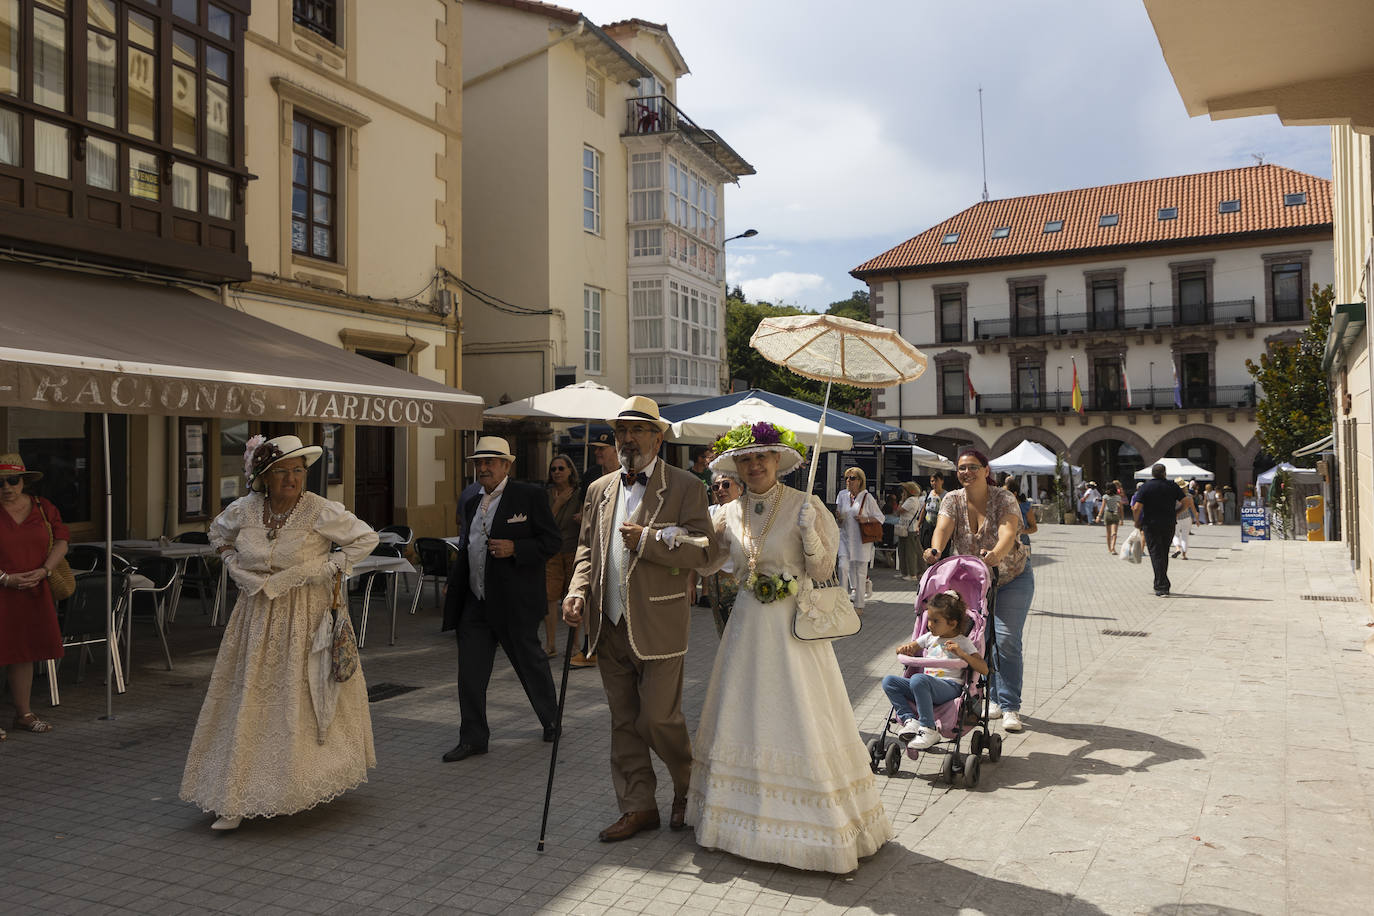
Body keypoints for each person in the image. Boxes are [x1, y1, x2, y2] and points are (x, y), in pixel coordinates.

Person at [688, 421, 892, 872]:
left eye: (762, 456)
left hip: (793, 631)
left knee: (799, 713)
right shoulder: (728, 512)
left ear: (777, 461)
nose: (754, 464)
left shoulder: (806, 505)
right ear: (736, 466)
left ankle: (817, 827)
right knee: (744, 713)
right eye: (746, 459)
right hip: (745, 632)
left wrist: (811, 534)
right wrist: (673, 539)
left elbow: (821, 570)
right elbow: (709, 565)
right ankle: (739, 825)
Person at [181, 435, 379, 831]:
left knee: (298, 700)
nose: (292, 478)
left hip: (305, 617)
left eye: (298, 470)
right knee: (247, 702)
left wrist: (323, 568)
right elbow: (217, 533)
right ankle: (234, 795)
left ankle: (299, 783)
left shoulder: (319, 510)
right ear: (264, 477)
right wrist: (232, 562)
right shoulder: (246, 509)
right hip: (254, 620)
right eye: (283, 471)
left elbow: (366, 538)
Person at [561, 397, 715, 843]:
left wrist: (648, 540)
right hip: (607, 623)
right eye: (621, 430)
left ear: (657, 436)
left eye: (637, 429)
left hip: (660, 622)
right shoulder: (599, 488)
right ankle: (637, 806)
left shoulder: (686, 486)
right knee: (624, 722)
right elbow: (587, 547)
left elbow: (706, 551)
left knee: (657, 719)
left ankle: (688, 783)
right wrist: (575, 591)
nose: (627, 438)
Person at [441, 437, 561, 763]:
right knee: (470, 674)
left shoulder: (529, 496)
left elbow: (552, 541)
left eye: (491, 461)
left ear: (506, 465)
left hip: (515, 603)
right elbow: (468, 548)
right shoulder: (470, 502)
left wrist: (516, 549)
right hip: (477, 602)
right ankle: (473, 738)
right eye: (479, 462)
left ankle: (551, 720)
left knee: (530, 665)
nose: (484, 467)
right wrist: (454, 584)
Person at [923, 448, 1032, 733]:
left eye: (973, 467)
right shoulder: (952, 499)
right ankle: (992, 697)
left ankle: (1010, 706)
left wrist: (996, 553)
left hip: (1012, 577)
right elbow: (943, 529)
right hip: (974, 582)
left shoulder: (1003, 497)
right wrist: (935, 550)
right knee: (981, 639)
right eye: (961, 468)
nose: (966, 472)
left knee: (1006, 640)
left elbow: (1009, 531)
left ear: (986, 471)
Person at [0, 454, 67, 738]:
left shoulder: (42, 507)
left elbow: (62, 539)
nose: (6, 487)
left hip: (33, 588)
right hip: (3, 588)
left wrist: (45, 571)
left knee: (24, 652)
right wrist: (5, 579)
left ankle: (23, 713)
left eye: (12, 480)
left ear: (23, 481)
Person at [882, 589, 988, 750]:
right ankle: (910, 720)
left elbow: (984, 669)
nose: (929, 624)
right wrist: (905, 648)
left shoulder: (963, 642)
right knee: (889, 681)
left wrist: (961, 653)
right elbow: (912, 646)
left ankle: (928, 728)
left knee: (918, 679)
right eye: (929, 619)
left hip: (949, 687)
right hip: (924, 686)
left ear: (952, 623)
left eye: (935, 621)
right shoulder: (929, 638)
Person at [571, 431, 621, 669]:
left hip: (618, 547)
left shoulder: (627, 474)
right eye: (596, 448)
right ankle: (589, 648)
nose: (598, 452)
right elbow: (585, 507)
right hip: (593, 545)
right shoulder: (591, 475)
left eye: (603, 447)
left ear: (615, 449)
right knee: (590, 598)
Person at [544, 453, 581, 658]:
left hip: (573, 551)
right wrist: (557, 505)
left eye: (561, 468)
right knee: (549, 599)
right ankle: (550, 645)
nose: (557, 472)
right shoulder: (547, 495)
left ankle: (574, 645)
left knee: (573, 598)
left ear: (570, 471)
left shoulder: (580, 494)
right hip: (551, 553)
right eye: (553, 469)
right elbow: (544, 522)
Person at [1131, 463, 1185, 597]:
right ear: (1164, 473)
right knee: (1163, 552)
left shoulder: (1146, 487)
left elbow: (1137, 507)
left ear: (1152, 474)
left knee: (1156, 553)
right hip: (1169, 524)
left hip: (1151, 524)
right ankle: (1163, 583)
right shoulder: (1172, 486)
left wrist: (1137, 521)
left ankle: (1161, 586)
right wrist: (1176, 512)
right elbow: (1187, 502)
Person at [836, 467, 883, 614]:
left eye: (852, 478)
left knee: (860, 572)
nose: (849, 481)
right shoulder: (842, 495)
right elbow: (840, 515)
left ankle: (859, 605)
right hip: (844, 537)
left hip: (861, 540)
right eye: (847, 478)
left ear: (860, 481)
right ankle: (842, 602)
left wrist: (865, 519)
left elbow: (881, 517)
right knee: (842, 567)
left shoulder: (867, 497)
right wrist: (838, 516)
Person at [701, 470, 742, 636]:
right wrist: (691, 583)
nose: (720, 489)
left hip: (741, 580)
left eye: (726, 484)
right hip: (715, 580)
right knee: (723, 630)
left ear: (740, 488)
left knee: (741, 631)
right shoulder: (709, 512)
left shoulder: (747, 512)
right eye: (715, 486)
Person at [896, 480, 923, 581]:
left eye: (904, 491)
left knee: (910, 552)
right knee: (902, 550)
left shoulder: (911, 500)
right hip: (904, 528)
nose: (902, 493)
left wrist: (901, 500)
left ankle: (912, 574)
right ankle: (904, 572)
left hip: (910, 529)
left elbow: (899, 511)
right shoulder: (911, 500)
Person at [1004, 474, 1038, 546]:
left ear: (1015, 494)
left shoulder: (1025, 507)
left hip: (1022, 544)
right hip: (1005, 545)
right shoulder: (1002, 506)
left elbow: (1034, 528)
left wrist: (1022, 531)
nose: (1004, 496)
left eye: (1007, 494)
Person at [1170, 478, 1199, 560]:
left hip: (1176, 518)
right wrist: (1197, 520)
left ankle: (1177, 548)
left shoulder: (1172, 496)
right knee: (1185, 536)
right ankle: (1184, 555)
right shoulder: (1189, 496)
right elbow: (1193, 509)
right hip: (1187, 518)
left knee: (1175, 535)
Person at [920, 472, 946, 553]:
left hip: (940, 526)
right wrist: (919, 524)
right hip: (928, 526)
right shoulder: (929, 493)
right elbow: (924, 509)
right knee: (927, 549)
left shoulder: (946, 495)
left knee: (938, 550)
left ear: (942, 481)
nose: (934, 483)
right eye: (932, 481)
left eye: (936, 480)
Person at [1096, 482, 1124, 553]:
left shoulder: (1105, 497)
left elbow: (1102, 507)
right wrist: (1122, 519)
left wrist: (1099, 516)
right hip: (1115, 514)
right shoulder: (1118, 497)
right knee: (1114, 532)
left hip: (1107, 514)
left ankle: (1109, 548)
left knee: (1108, 533)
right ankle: (1113, 548)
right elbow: (1121, 509)